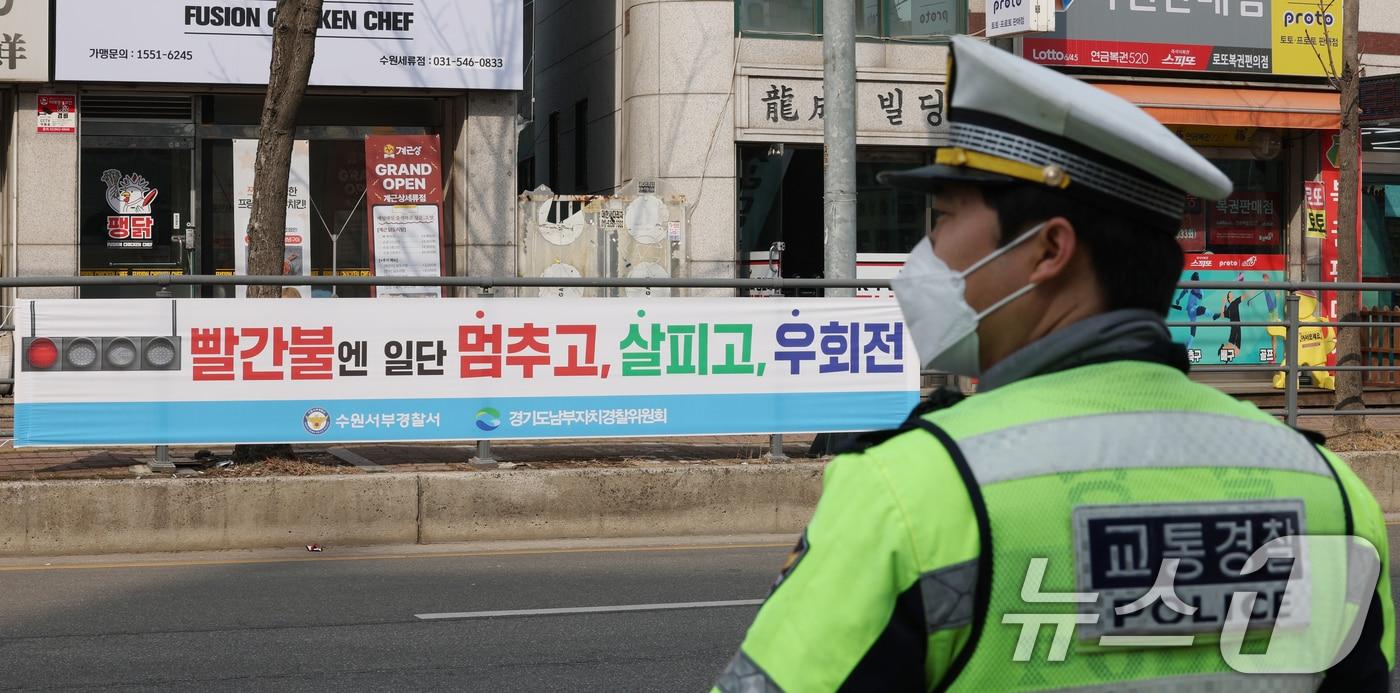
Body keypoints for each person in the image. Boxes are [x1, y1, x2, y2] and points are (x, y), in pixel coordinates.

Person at [714, 36, 1392, 692]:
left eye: (944, 216)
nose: (927, 253)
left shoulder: (911, 495)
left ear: (1048, 250)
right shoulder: (1330, 494)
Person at [1171, 272, 1206, 350]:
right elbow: (1184, 291)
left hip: (1196, 308)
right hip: (1191, 309)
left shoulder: (1199, 286)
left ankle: (1188, 344)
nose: (1194, 281)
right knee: (1193, 327)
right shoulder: (1191, 283)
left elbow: (1200, 296)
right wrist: (1178, 299)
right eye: (1193, 280)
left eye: (1195, 280)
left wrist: (1193, 292)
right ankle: (1188, 345)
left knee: (1193, 327)